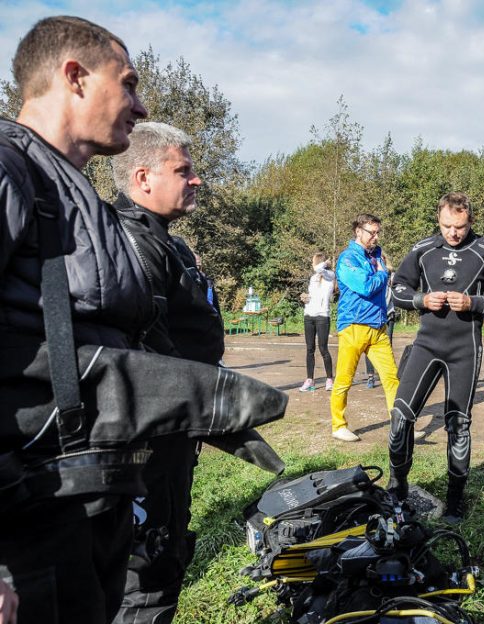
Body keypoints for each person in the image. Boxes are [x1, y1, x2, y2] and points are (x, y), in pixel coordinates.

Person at [0, 17, 151, 623]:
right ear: (76, 77)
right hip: (23, 525)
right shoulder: (10, 169)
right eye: (129, 83)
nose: (140, 106)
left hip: (86, 503)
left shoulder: (76, 190)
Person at [111, 121, 226, 623]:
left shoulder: (166, 241)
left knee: (168, 551)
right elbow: (143, 353)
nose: (197, 179)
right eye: (184, 170)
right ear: (143, 177)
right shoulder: (132, 244)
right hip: (144, 444)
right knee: (148, 571)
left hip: (176, 433)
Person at [387, 192, 484, 522]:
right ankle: (397, 488)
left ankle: (455, 501)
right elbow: (398, 288)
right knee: (401, 417)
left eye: (459, 227)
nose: (453, 233)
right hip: (426, 346)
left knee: (457, 425)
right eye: (447, 226)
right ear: (439, 219)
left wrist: (473, 303)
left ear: (470, 221)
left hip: (464, 350)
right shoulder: (423, 249)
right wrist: (421, 300)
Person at [330, 214, 400, 442]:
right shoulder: (347, 258)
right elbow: (365, 286)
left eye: (378, 232)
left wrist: (380, 270)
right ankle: (338, 425)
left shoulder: (376, 255)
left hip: (378, 326)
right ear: (358, 231)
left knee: (391, 377)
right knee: (344, 379)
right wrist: (382, 272)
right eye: (372, 232)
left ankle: (400, 424)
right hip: (354, 326)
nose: (376, 237)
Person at [299, 252, 335, 392]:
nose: (312, 264)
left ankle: (329, 379)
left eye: (313, 261)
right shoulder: (313, 278)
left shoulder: (329, 276)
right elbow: (313, 295)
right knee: (309, 349)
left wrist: (326, 263)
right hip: (309, 315)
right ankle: (310, 380)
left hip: (322, 316)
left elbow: (319, 269)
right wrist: (305, 298)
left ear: (320, 262)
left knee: (323, 348)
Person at [364, 256, 396, 389]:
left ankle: (388, 376)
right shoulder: (370, 274)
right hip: (374, 314)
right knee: (369, 345)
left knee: (387, 345)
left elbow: (398, 291)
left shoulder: (391, 274)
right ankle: (371, 376)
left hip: (389, 313)